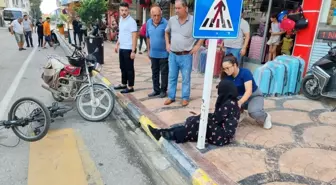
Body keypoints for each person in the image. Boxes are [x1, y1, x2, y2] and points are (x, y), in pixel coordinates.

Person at [148, 79, 240, 146]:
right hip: (220, 132)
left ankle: (164, 133)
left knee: (198, 123)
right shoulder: (231, 101)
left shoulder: (228, 104)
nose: (219, 93)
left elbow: (217, 119)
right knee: (195, 125)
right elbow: (217, 118)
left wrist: (200, 118)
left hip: (222, 136)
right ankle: (162, 132)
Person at [164, 0, 204, 107]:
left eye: (178, 8)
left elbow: (203, 33)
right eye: (175, 8)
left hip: (186, 55)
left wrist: (197, 46)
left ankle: (185, 98)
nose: (176, 10)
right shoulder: (172, 20)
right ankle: (171, 97)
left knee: (186, 78)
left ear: (185, 8)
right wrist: (167, 44)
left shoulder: (193, 21)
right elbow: (166, 32)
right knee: (172, 77)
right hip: (173, 54)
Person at [220, 54, 272, 129]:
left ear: (234, 65)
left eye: (228, 68)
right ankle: (241, 113)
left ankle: (266, 117)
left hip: (253, 96)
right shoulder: (226, 77)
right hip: (238, 97)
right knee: (226, 105)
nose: (226, 71)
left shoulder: (245, 72)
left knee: (254, 113)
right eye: (224, 69)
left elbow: (249, 91)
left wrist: (239, 103)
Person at [114, 2, 138, 93]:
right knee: (122, 67)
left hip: (129, 49)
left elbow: (134, 36)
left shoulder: (132, 22)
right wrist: (117, 44)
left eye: (125, 10)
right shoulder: (121, 19)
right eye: (122, 10)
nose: (124, 12)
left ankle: (130, 86)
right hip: (122, 48)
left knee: (129, 68)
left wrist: (133, 51)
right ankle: (123, 84)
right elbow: (121, 34)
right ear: (119, 10)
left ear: (128, 11)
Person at [146, 5, 169, 98]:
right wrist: (148, 50)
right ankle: (156, 90)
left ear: (161, 14)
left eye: (158, 15)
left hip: (164, 54)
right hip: (153, 54)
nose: (156, 17)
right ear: (151, 15)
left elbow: (169, 37)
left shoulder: (166, 23)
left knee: (164, 73)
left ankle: (163, 91)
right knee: (154, 73)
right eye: (154, 15)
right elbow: (147, 37)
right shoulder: (148, 22)